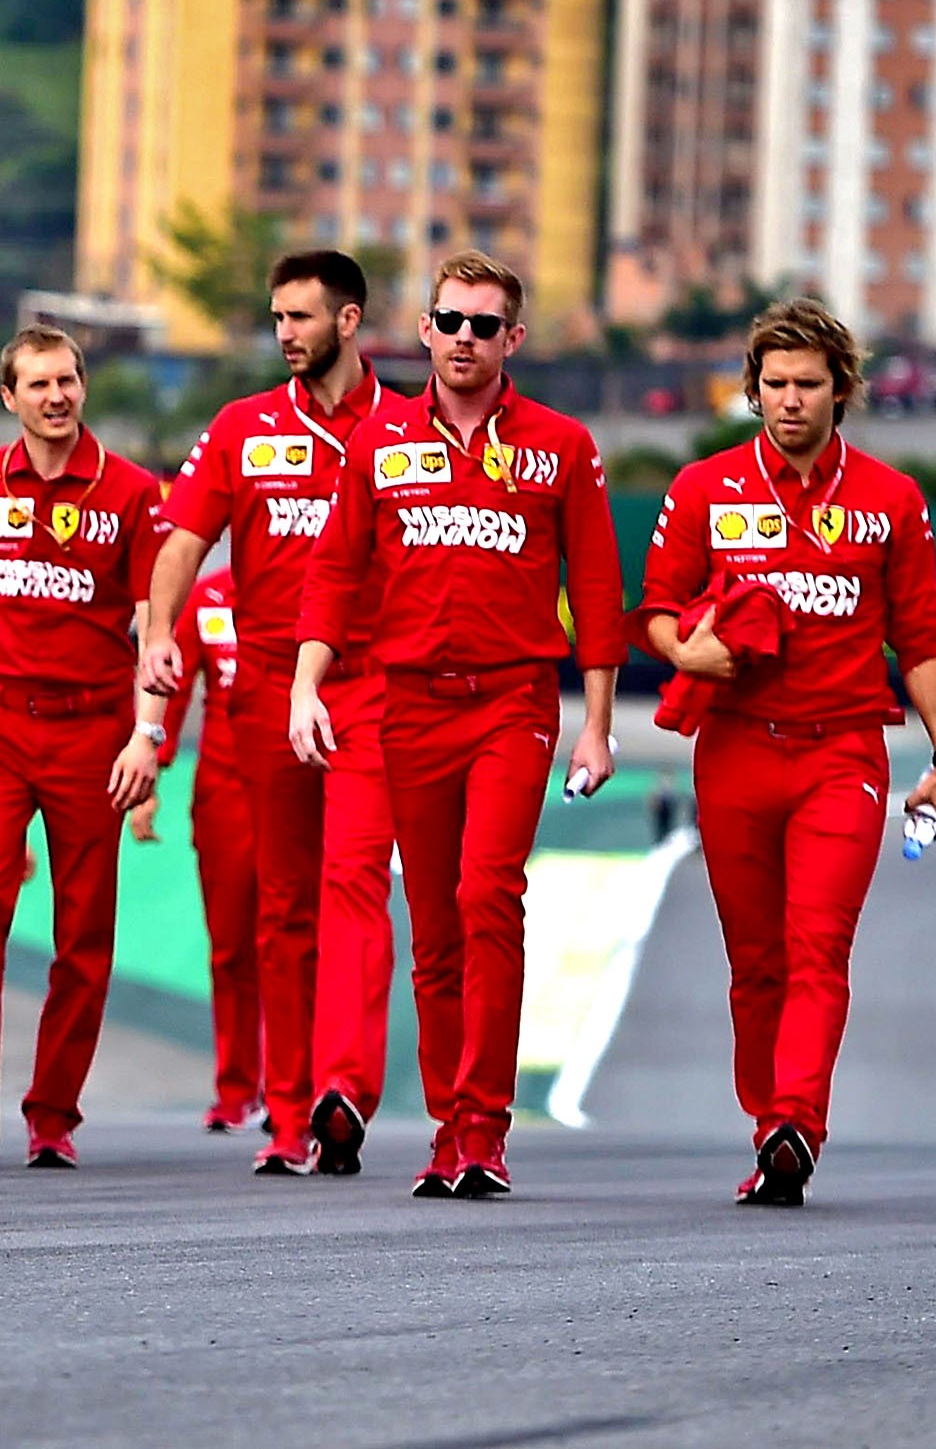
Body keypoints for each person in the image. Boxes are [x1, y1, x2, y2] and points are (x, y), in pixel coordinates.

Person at [288, 249, 621, 1196]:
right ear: (424, 331)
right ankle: (446, 1127)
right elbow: (335, 572)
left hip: (514, 700)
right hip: (408, 703)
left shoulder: (562, 443)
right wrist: (308, 685)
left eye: (484, 325)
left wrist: (596, 724)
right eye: (449, 321)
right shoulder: (379, 442)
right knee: (432, 922)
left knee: (488, 895)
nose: (464, 339)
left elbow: (595, 589)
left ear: (513, 339)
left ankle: (486, 1126)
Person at [637, 297, 936, 1207]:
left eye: (807, 384)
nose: (789, 400)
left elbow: (925, 639)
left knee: (819, 947)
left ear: (842, 390)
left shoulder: (890, 499)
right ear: (752, 388)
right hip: (735, 750)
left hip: (843, 755)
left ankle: (797, 1121)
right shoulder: (703, 488)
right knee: (756, 960)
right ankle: (766, 1122)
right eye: (774, 383)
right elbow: (657, 607)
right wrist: (679, 646)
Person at [141, 249, 388, 1174]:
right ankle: (290, 1117)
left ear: (349, 319)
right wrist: (163, 629)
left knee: (355, 890)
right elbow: (180, 536)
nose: (285, 332)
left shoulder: (408, 426)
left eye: (302, 316)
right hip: (262, 689)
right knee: (282, 909)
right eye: (277, 316)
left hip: (374, 686)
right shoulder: (243, 427)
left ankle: (345, 1089)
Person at [0, 327, 160, 1165]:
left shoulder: (129, 491)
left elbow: (157, 623)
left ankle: (53, 1110)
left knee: (84, 932)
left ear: (84, 388)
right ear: (9, 397)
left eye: (69, 380)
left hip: (93, 730)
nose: (57, 396)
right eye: (39, 383)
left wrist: (145, 736)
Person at [174, 553, 261, 1132]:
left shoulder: (318, 581)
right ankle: (236, 1088)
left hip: (304, 778)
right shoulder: (206, 599)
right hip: (223, 787)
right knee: (230, 945)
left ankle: (294, 1086)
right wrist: (152, 772)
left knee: (295, 939)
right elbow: (172, 682)